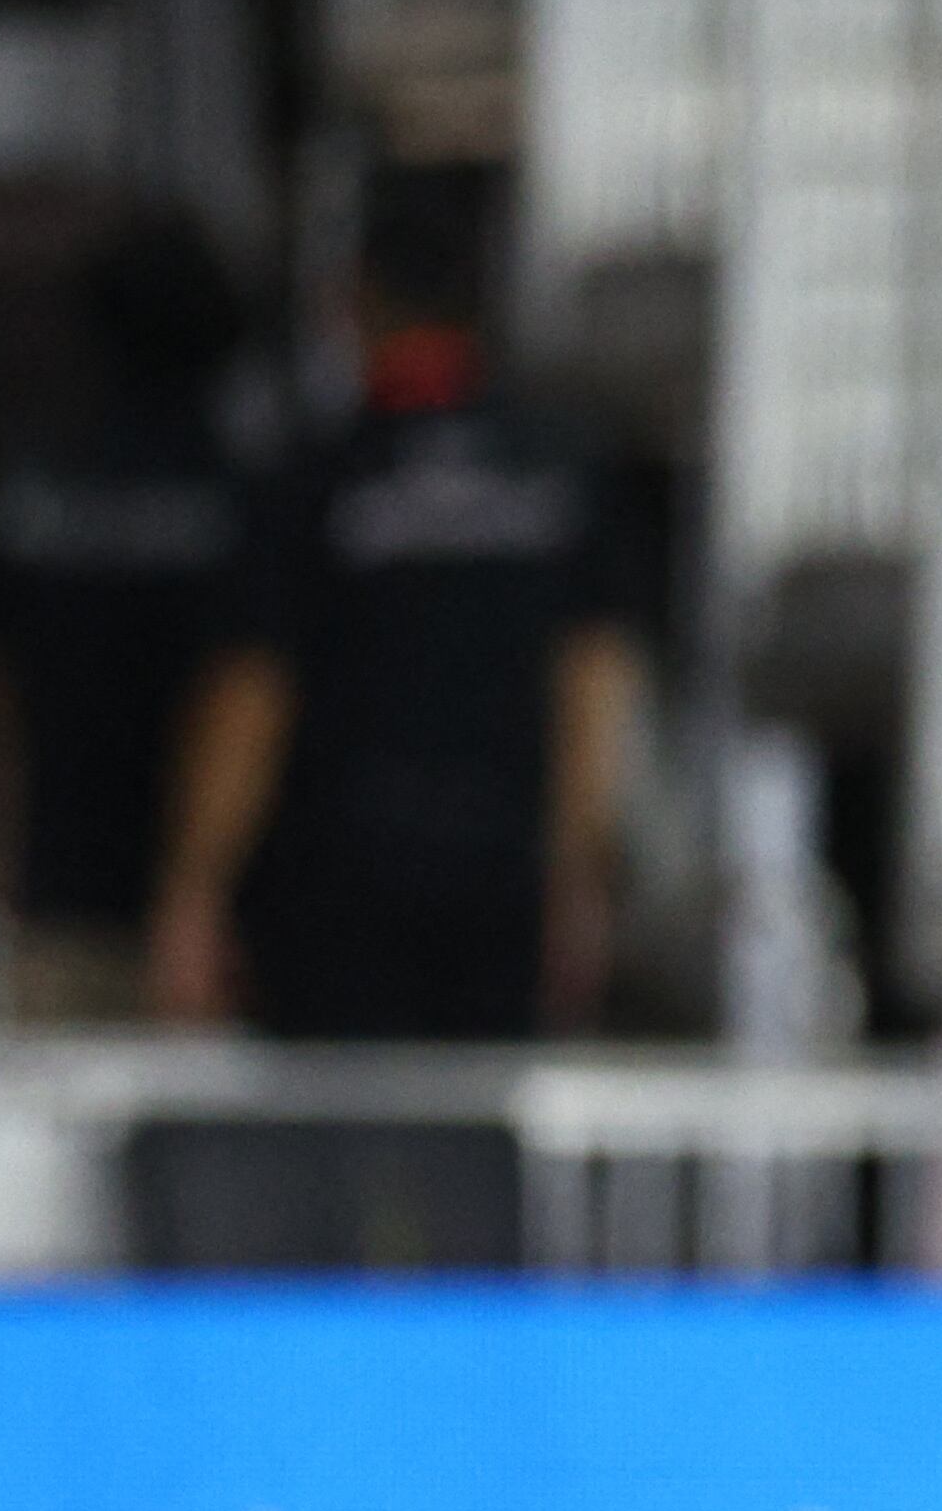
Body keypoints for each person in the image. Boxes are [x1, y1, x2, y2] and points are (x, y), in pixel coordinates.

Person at [150, 178, 645, 1038]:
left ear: (357, 301)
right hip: (502, 882)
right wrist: (580, 881)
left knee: (338, 1144)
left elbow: (251, 696)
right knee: (479, 1151)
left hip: (341, 885)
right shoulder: (561, 474)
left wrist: (194, 889)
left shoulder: (311, 480)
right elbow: (594, 690)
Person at [0, 216, 261, 1022]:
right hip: (215, 921)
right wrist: (202, 889)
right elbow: (254, 696)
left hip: (58, 895)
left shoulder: (36, 493)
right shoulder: (250, 496)